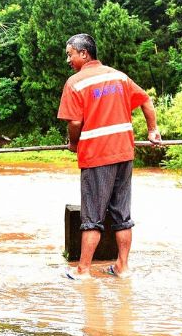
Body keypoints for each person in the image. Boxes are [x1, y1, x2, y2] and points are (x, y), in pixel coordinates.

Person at [57, 34, 161, 280]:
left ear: (84, 54)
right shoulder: (119, 76)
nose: (68, 59)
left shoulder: (75, 82)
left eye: (70, 54)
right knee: (122, 215)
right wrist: (152, 130)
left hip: (97, 154)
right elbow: (145, 99)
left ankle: (82, 271)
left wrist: (73, 143)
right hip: (124, 152)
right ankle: (122, 267)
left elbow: (75, 121)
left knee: (91, 217)